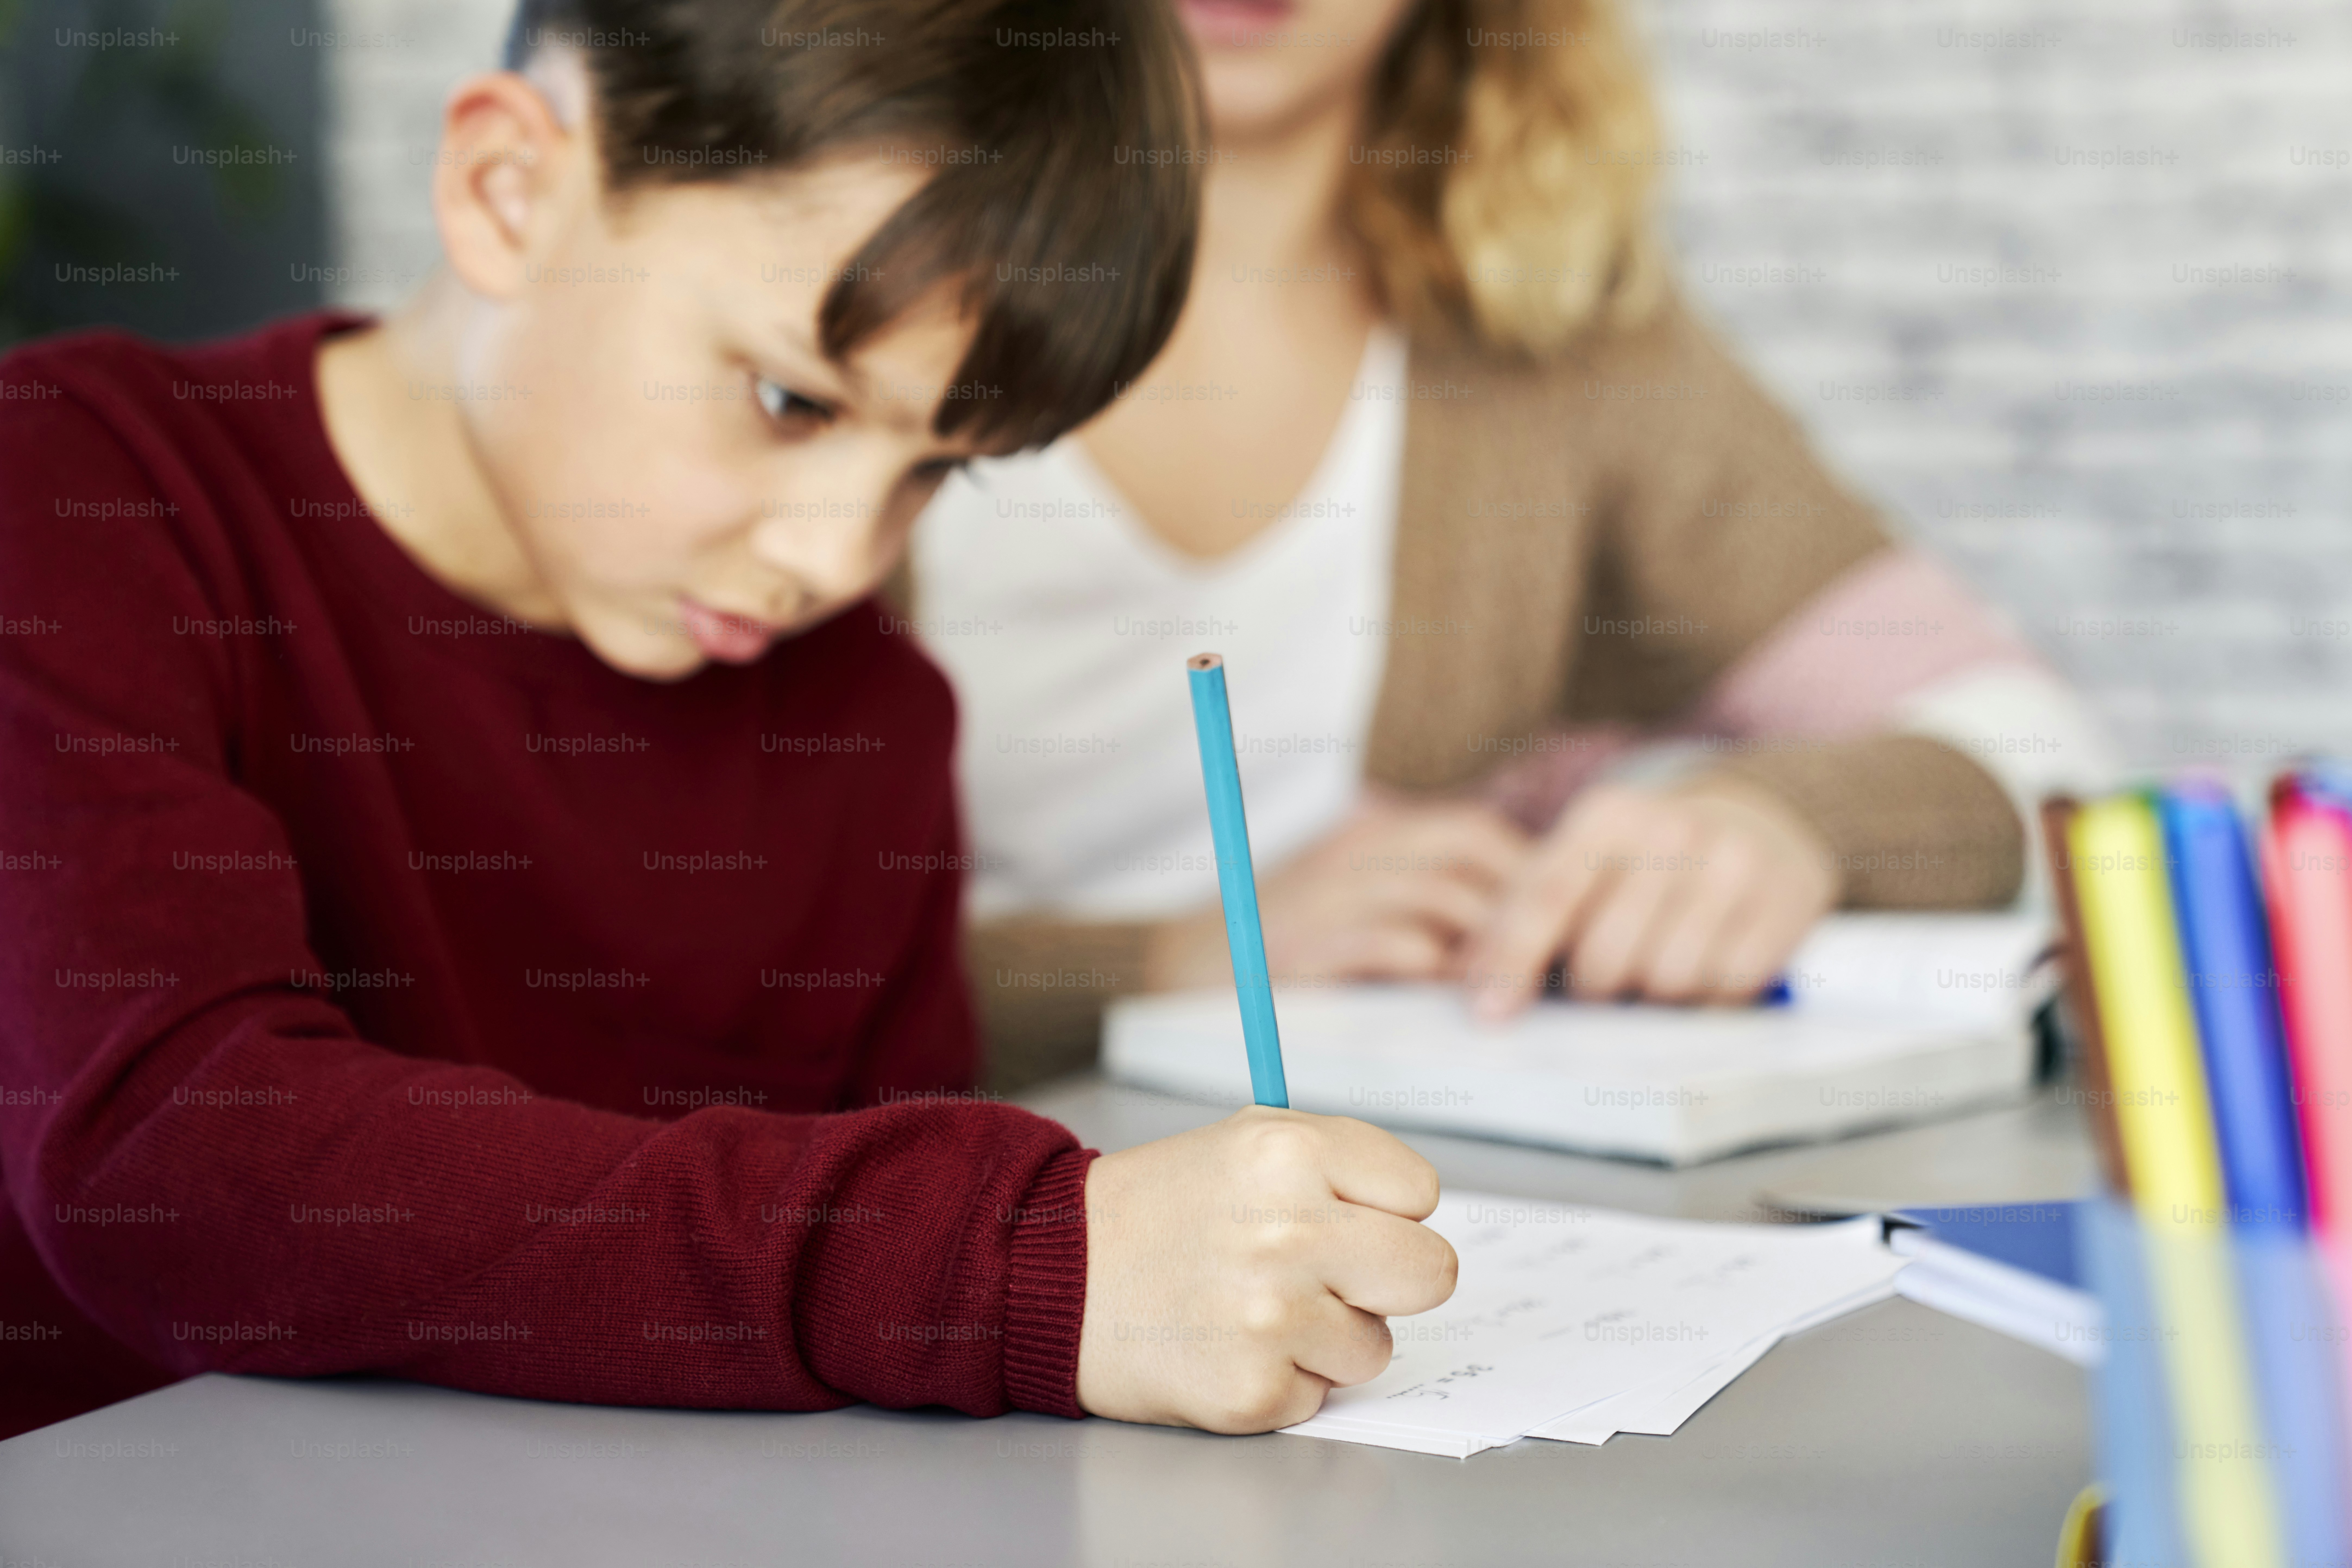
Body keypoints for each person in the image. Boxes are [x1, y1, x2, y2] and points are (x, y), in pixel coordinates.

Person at [0, 0, 1458, 1443]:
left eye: (934, 470)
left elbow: (865, 1353)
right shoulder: (73, 498)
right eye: (788, 399)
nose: (837, 560)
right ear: (512, 189)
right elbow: (188, 1164)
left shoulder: (863, 716)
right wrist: (1017, 1265)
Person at [909, 0, 2115, 1090]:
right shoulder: (836, 279)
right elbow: (734, 973)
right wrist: (1167, 959)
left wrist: (1786, 820)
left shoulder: (1549, 332)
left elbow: (2037, 749)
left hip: (1387, 1185)